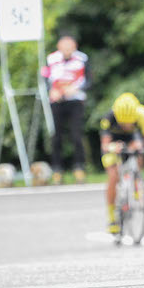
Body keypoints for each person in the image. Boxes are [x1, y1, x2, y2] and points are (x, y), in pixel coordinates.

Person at [100, 92, 144, 234]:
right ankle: (112, 217)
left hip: (132, 139)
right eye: (123, 124)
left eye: (129, 123)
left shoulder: (142, 114)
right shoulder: (108, 119)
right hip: (113, 142)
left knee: (138, 148)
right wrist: (113, 147)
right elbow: (105, 145)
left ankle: (136, 181)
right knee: (113, 175)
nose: (126, 126)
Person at [42, 35, 90, 185]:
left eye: (70, 46)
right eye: (64, 46)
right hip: (57, 101)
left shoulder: (82, 59)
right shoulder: (51, 59)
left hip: (75, 100)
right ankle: (57, 170)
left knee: (76, 135)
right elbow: (44, 77)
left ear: (74, 46)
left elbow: (89, 80)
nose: (67, 49)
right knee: (56, 136)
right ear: (59, 46)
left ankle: (79, 168)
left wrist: (75, 88)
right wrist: (51, 90)